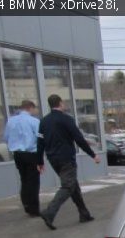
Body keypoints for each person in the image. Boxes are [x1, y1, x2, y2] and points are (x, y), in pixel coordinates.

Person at [37, 94, 100, 230]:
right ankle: (49, 212)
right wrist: (92, 154)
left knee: (73, 186)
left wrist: (39, 161)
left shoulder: (43, 121)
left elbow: (40, 142)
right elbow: (79, 138)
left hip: (53, 159)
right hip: (66, 158)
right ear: (60, 103)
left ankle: (84, 214)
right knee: (68, 186)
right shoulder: (67, 119)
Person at [3, 100, 41, 217]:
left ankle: (26, 205)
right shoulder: (34, 121)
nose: (35, 111)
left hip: (17, 154)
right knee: (33, 181)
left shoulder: (11, 121)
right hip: (30, 153)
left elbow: (6, 137)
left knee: (24, 179)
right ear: (30, 108)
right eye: (34, 109)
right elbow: (40, 137)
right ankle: (34, 209)